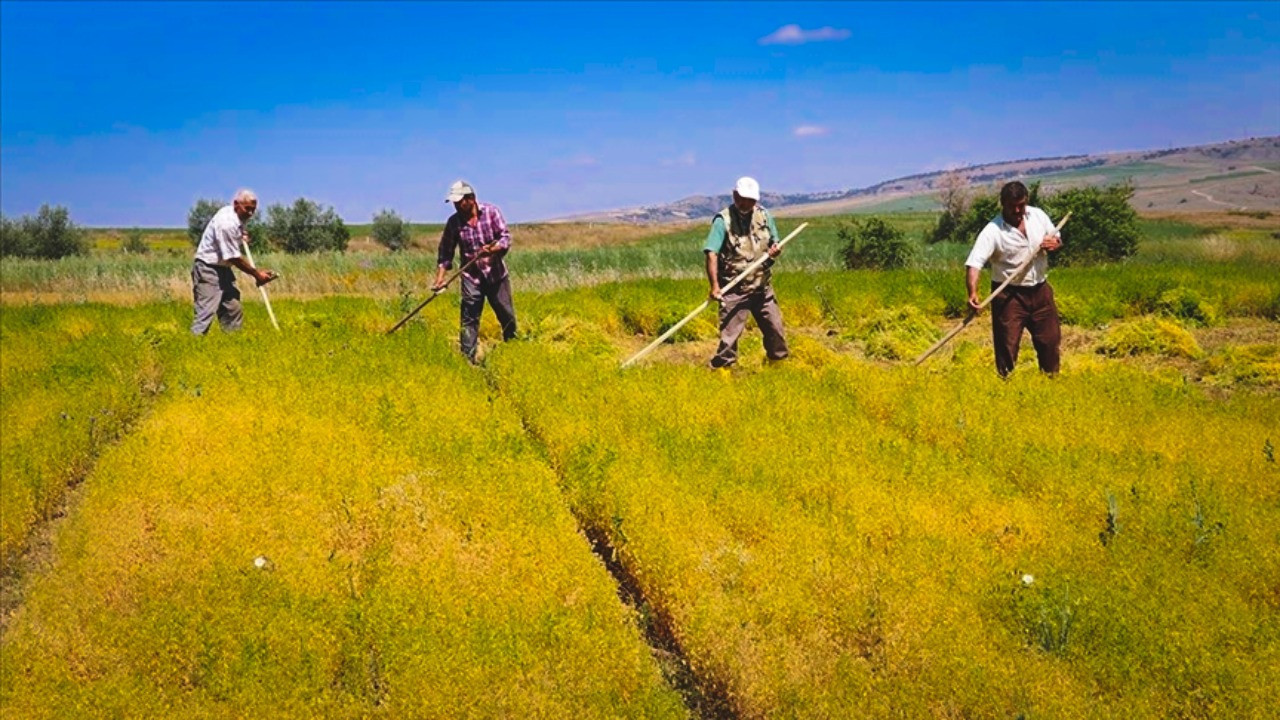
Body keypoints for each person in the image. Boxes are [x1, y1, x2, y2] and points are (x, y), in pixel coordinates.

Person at [964, 180, 1063, 377]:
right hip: (1009, 296)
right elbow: (974, 264)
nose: (1017, 210)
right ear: (1003, 203)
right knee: (1006, 345)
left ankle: (1052, 381)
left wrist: (1055, 243)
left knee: (1050, 341)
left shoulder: (1038, 215)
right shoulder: (992, 231)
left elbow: (1056, 237)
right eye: (1012, 206)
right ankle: (1005, 383)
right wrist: (973, 293)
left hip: (1040, 290)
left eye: (1021, 205)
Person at [704, 176, 788, 368]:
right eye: (742, 199)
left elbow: (775, 244)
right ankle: (722, 373)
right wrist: (715, 286)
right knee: (729, 339)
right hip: (734, 289)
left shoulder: (764, 216)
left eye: (751, 200)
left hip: (762, 287)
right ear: (734, 195)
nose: (746, 203)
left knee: (776, 331)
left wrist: (775, 251)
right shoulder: (722, 221)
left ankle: (778, 369)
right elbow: (711, 254)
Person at [433, 180, 517, 362]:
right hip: (472, 277)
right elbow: (445, 253)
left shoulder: (491, 212)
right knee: (469, 319)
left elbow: (505, 239)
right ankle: (467, 360)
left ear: (471, 199)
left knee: (506, 315)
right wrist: (440, 279)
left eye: (459, 201)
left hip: (496, 275)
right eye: (454, 202)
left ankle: (514, 350)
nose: (456, 205)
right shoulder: (454, 223)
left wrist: (492, 250)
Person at [190, 189, 276, 335]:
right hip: (208, 269)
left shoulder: (233, 216)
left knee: (233, 309)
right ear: (236, 204)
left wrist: (240, 237)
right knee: (206, 312)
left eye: (253, 210)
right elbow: (233, 257)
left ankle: (234, 343)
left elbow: (233, 237)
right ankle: (193, 345)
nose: (250, 213)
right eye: (247, 208)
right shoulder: (226, 223)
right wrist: (257, 274)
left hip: (224, 270)